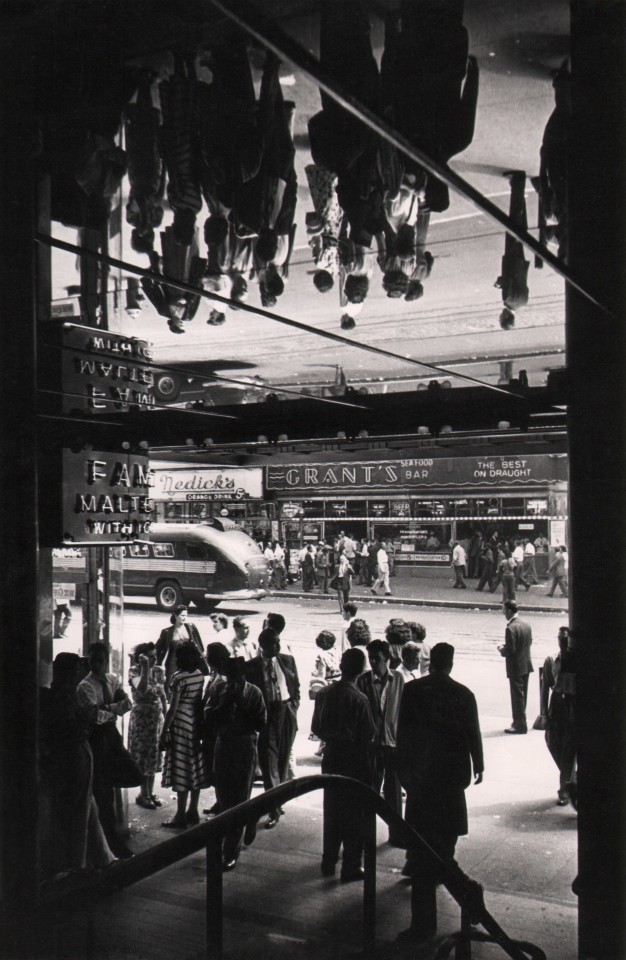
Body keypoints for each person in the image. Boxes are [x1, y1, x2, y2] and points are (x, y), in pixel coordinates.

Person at [396, 642, 484, 944]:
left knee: (423, 855)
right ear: (452, 663)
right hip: (450, 785)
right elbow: (474, 732)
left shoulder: (414, 691)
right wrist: (479, 766)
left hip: (422, 783)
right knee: (443, 851)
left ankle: (424, 924)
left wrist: (402, 771)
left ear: (430, 661)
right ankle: (468, 892)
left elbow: (403, 733)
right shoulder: (463, 694)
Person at [39, 653, 117, 878]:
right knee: (80, 810)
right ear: (70, 673)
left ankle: (102, 857)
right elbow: (70, 730)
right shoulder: (64, 698)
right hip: (73, 757)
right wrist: (87, 719)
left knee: (87, 807)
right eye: (77, 671)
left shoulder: (54, 695)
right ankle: (77, 864)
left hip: (71, 756)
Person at [311, 647, 376, 882]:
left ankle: (328, 861)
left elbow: (316, 728)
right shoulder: (360, 698)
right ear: (360, 670)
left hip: (331, 757)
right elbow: (368, 733)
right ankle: (351, 864)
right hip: (354, 759)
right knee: (354, 815)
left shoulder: (324, 693)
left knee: (332, 810)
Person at [205, 657, 266, 870]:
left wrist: (241, 705)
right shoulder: (218, 689)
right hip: (223, 745)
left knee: (240, 797)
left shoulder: (254, 693)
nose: (233, 682)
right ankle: (248, 818)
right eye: (230, 678)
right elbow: (208, 717)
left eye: (237, 678)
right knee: (223, 797)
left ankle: (231, 851)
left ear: (243, 675)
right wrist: (223, 705)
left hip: (244, 746)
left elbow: (261, 723)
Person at [76, 642, 134, 859]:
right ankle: (109, 843)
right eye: (93, 660)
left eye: (101, 660)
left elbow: (126, 704)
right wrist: (113, 709)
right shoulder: (85, 686)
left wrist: (107, 709)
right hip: (96, 740)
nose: (97, 664)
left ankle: (110, 840)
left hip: (110, 739)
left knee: (117, 782)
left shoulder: (112, 680)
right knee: (102, 792)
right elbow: (94, 716)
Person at [244, 628, 300, 829]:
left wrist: (294, 705)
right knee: (269, 763)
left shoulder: (287, 660)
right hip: (266, 714)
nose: (277, 646)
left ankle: (278, 800)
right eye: (273, 644)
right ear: (263, 646)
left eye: (278, 642)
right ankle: (273, 809)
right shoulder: (251, 667)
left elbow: (296, 686)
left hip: (286, 712)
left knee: (283, 759)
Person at [357, 639, 405, 846]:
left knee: (394, 792)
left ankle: (397, 833)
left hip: (393, 743)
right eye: (371, 659)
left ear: (387, 659)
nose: (373, 662)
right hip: (372, 744)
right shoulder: (363, 681)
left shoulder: (399, 679)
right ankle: (366, 832)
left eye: (377, 659)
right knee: (371, 790)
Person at [160, 642, 209, 828]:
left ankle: (180, 815)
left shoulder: (177, 678)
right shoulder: (199, 675)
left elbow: (172, 709)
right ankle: (193, 810)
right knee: (194, 766)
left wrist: (164, 732)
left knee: (181, 767)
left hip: (180, 724)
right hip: (194, 723)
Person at [127, 642, 167, 811]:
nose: (154, 658)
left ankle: (150, 792)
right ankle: (143, 794)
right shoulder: (135, 671)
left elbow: (162, 694)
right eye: (150, 656)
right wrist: (144, 668)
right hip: (141, 720)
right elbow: (142, 689)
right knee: (144, 756)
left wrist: (165, 715)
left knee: (154, 755)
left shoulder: (158, 671)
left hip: (155, 719)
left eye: (155, 655)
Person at [540, 626, 576, 805]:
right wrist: (544, 714)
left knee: (568, 748)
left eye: (565, 639)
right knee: (552, 742)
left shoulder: (575, 660)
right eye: (560, 638)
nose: (562, 642)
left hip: (571, 705)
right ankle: (571, 779)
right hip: (556, 705)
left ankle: (565, 788)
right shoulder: (551, 660)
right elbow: (544, 687)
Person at [495, 171, 529, 329]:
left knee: (520, 226)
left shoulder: (523, 301)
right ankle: (517, 183)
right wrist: (499, 283)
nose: (499, 315)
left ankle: (519, 188)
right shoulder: (506, 299)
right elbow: (506, 280)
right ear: (505, 317)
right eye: (501, 318)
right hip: (511, 258)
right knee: (513, 222)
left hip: (521, 262)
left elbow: (521, 284)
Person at [498, 601, 534, 734]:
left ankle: (520, 725)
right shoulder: (526, 625)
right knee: (523, 694)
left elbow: (510, 650)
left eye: (503, 610)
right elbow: (529, 642)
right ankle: (520, 721)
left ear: (508, 611)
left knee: (517, 696)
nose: (503, 613)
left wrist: (501, 649)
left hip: (515, 667)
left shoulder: (510, 628)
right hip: (526, 664)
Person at [156, 604, 205, 696]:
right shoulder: (167, 632)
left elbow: (200, 645)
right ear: (175, 615)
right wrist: (157, 664)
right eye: (182, 615)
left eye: (186, 615)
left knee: (188, 684)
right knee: (172, 686)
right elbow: (158, 649)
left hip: (189, 661)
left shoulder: (191, 627)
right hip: (172, 662)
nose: (184, 618)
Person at [335, 548, 354, 614]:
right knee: (340, 597)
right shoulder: (337, 567)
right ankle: (342, 609)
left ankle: (346, 609)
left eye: (342, 560)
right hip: (339, 582)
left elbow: (353, 573)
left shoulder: (348, 566)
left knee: (346, 597)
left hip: (346, 582)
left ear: (345, 560)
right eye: (340, 560)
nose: (341, 561)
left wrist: (350, 568)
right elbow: (336, 575)